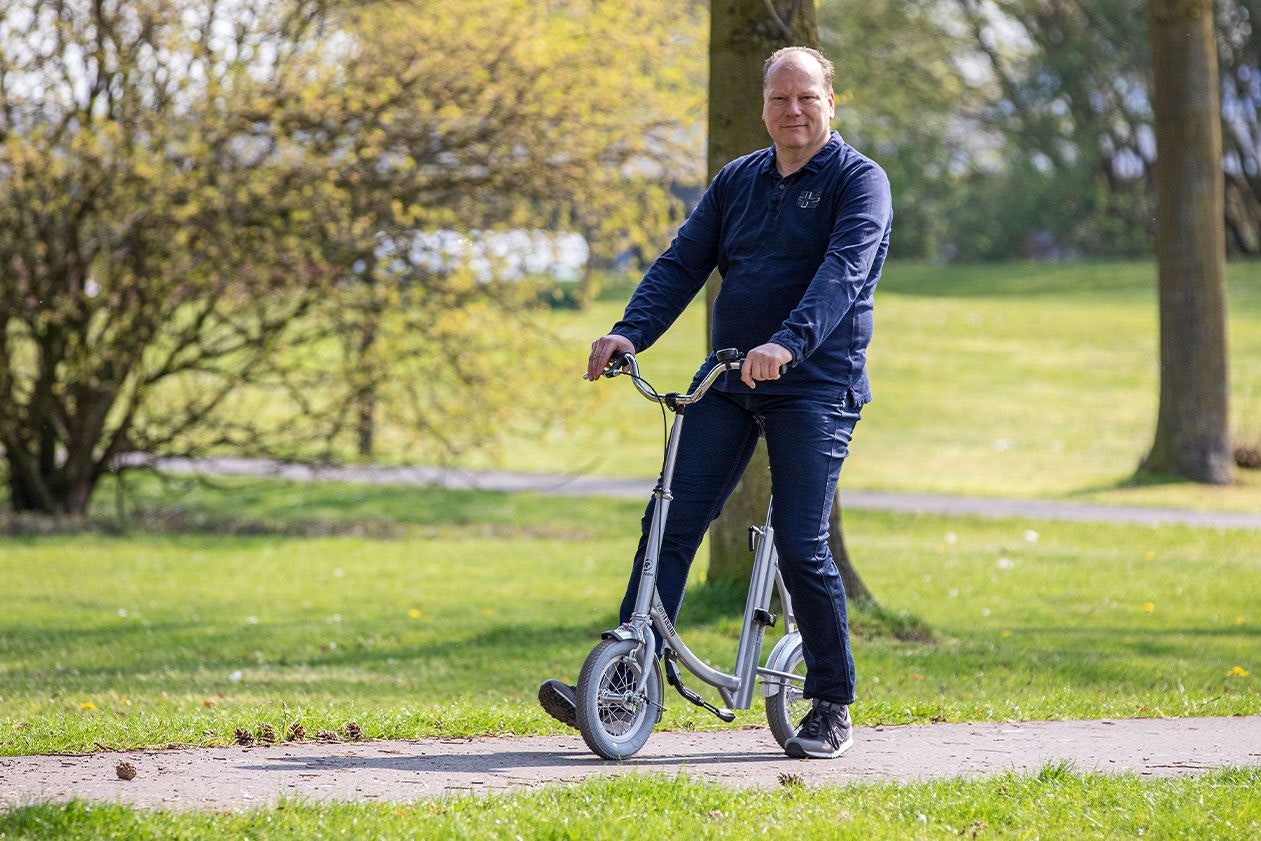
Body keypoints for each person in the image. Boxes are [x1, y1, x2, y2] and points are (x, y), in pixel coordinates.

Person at [539, 46, 892, 759]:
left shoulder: (860, 182)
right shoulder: (738, 180)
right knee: (668, 518)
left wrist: (787, 343)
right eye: (778, 99)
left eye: (806, 99)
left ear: (830, 101)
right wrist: (627, 332)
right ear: (762, 105)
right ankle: (627, 679)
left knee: (800, 541)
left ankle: (830, 700)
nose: (791, 112)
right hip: (730, 378)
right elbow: (681, 263)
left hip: (814, 386)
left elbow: (842, 275)